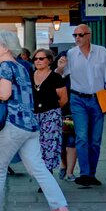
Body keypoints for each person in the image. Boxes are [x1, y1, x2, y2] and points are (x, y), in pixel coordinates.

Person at [0, 31, 71, 211]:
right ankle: (59, 207)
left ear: (5, 47)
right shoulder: (22, 67)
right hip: (30, 125)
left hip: (13, 124)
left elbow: (4, 95)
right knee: (38, 168)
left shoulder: (5, 67)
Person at [66, 24, 106, 186]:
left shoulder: (101, 51)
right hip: (78, 99)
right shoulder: (71, 54)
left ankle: (92, 173)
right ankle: (85, 174)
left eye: (81, 35)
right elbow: (62, 73)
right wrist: (59, 67)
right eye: (75, 35)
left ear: (89, 35)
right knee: (81, 136)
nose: (77, 38)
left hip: (98, 98)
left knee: (95, 139)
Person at [31, 49, 68, 177]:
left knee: (49, 144)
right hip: (34, 114)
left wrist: (53, 110)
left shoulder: (55, 77)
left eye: (41, 58)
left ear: (49, 61)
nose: (38, 61)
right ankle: (39, 171)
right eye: (35, 59)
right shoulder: (30, 75)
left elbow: (63, 99)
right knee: (35, 145)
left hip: (51, 114)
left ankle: (48, 173)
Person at [56, 52, 78, 180]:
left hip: (70, 113)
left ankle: (70, 171)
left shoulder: (74, 75)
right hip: (58, 113)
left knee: (71, 142)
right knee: (61, 143)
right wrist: (59, 69)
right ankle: (64, 164)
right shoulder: (56, 74)